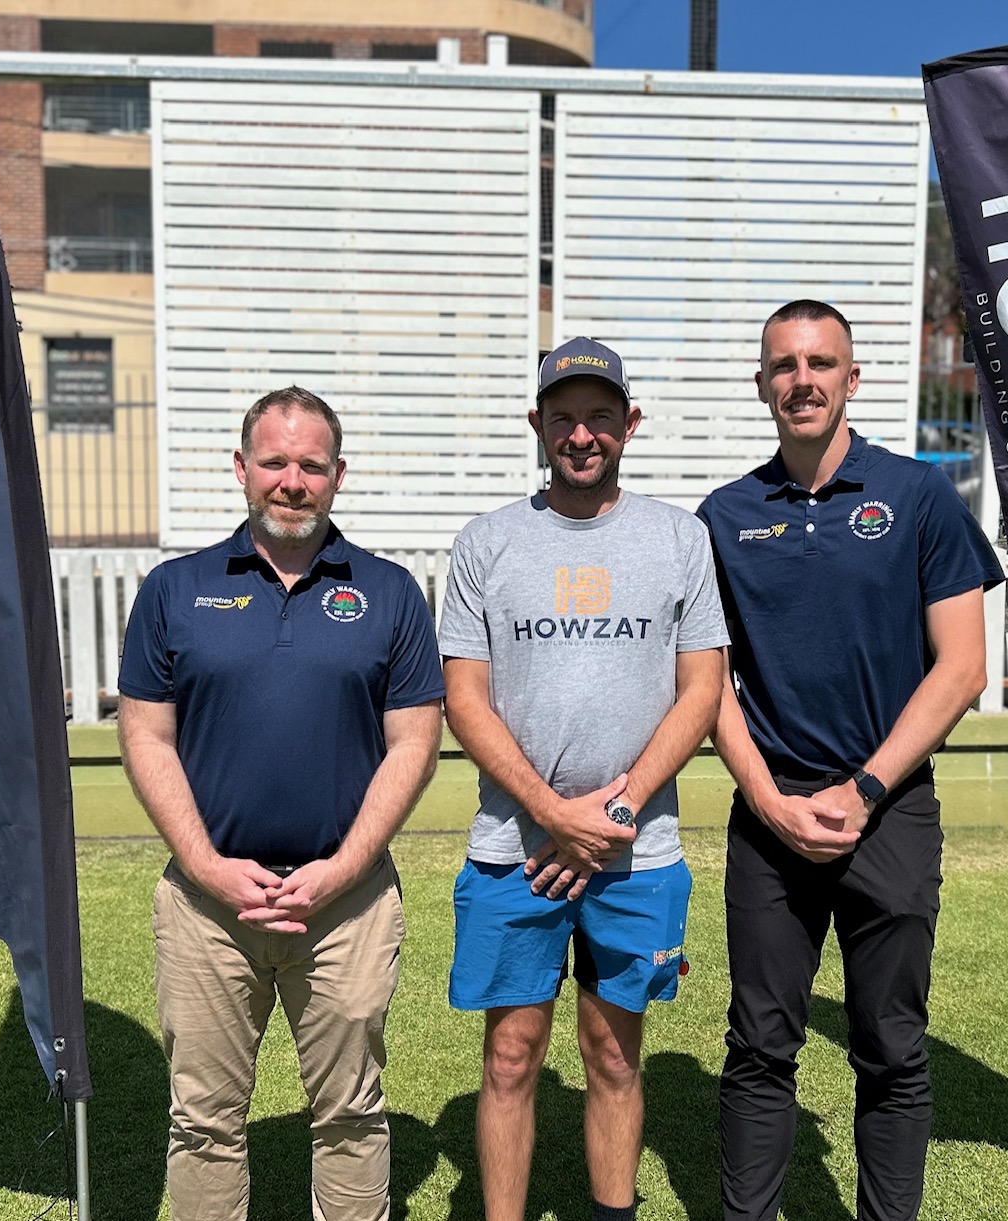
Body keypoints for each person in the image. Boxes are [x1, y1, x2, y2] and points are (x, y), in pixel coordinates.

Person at [697, 300, 1004, 1221]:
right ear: (762, 385)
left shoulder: (915, 497)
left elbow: (961, 665)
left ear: (852, 379)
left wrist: (866, 787)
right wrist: (769, 799)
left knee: (891, 1046)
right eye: (784, 365)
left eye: (821, 362)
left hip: (891, 805)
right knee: (758, 1044)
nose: (803, 379)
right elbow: (705, 682)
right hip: (770, 811)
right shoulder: (724, 516)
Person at [117, 387, 444, 1221]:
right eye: (274, 461)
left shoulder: (390, 591)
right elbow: (148, 737)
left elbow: (413, 742)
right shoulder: (174, 589)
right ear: (241, 468)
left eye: (310, 464)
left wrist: (343, 867)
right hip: (206, 907)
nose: (291, 481)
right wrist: (202, 863)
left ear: (337, 475)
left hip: (348, 904)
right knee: (203, 1122)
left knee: (350, 1113)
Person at [438, 337, 729, 1221]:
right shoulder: (486, 542)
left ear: (629, 425)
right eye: (563, 416)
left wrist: (614, 807)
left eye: (600, 416)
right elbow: (465, 697)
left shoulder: (680, 538)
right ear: (537, 424)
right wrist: (549, 811)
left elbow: (703, 687)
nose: (581, 433)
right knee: (510, 1058)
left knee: (611, 1056)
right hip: (512, 850)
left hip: (635, 850)